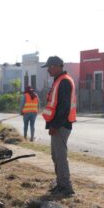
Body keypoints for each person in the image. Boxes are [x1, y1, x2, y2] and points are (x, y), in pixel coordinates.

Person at [41, 56, 77, 197]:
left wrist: (55, 125)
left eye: (49, 67)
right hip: (58, 125)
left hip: (61, 125)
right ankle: (60, 183)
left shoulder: (64, 82)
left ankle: (66, 187)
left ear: (56, 66)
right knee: (55, 155)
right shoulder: (59, 80)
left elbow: (64, 107)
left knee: (60, 156)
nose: (48, 70)